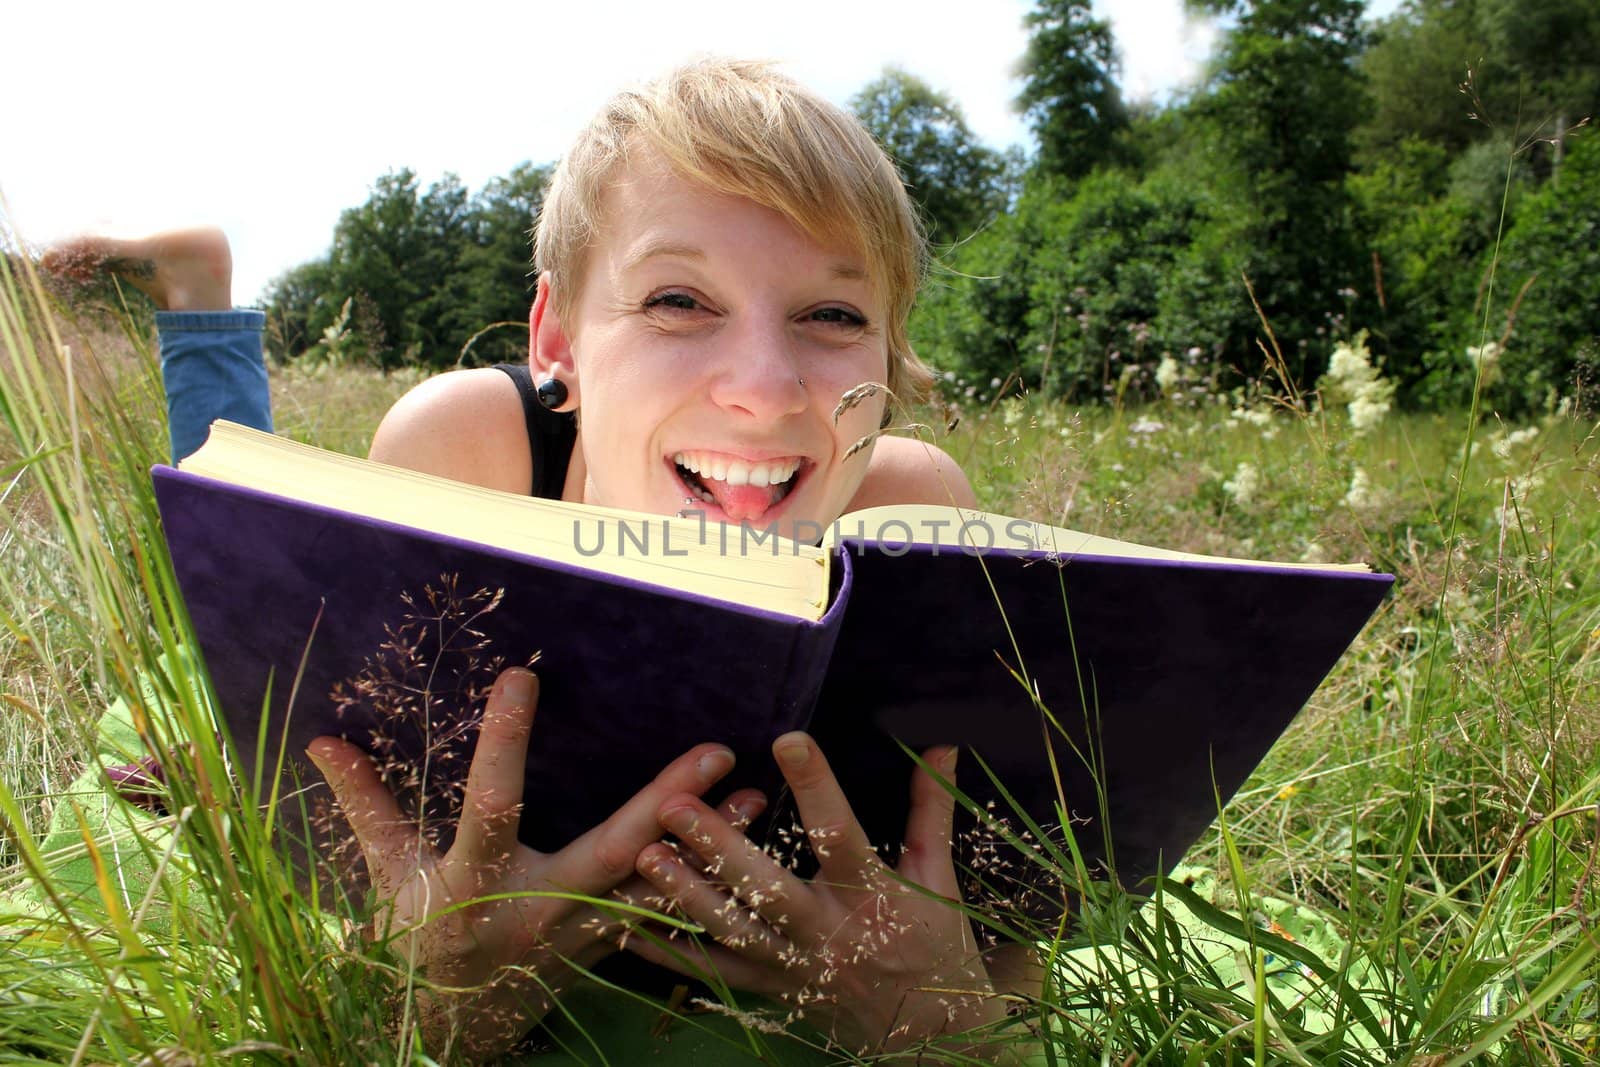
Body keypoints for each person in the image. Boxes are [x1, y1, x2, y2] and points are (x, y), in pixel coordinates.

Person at [47, 59, 1035, 1063]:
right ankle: (199, 300)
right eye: (679, 301)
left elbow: (1000, 897)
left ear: (888, 357)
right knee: (223, 559)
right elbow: (357, 759)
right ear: (556, 335)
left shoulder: (911, 512)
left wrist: (948, 1027)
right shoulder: (469, 443)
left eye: (833, 315)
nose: (764, 388)